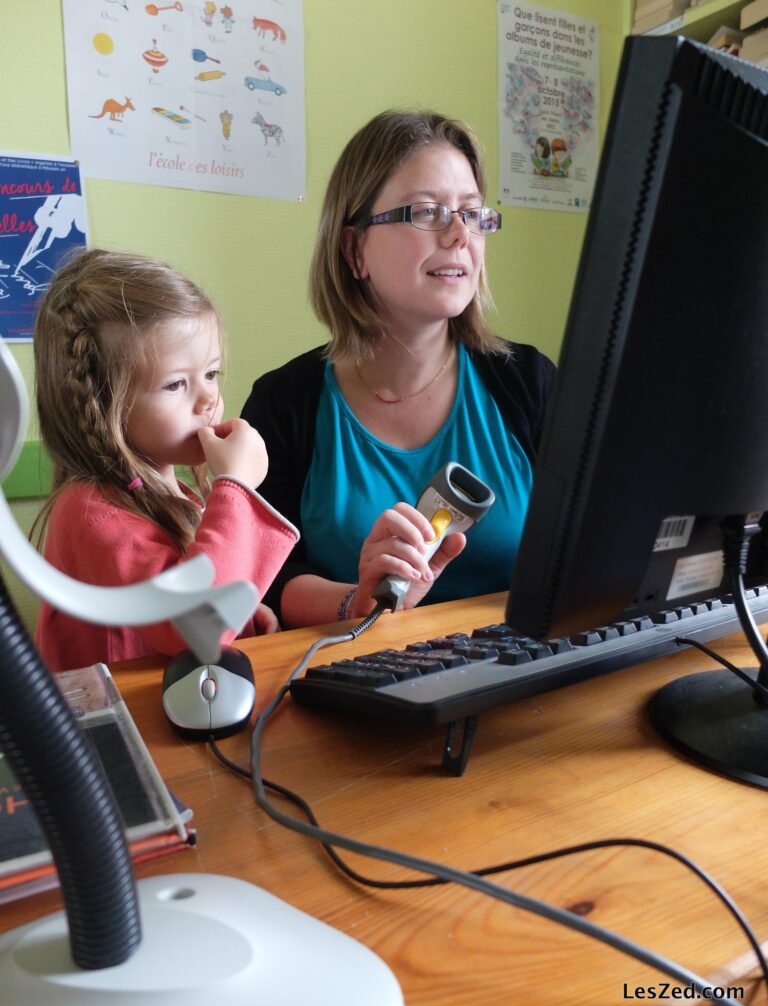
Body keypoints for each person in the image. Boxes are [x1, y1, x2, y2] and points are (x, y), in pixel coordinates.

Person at [241, 109, 555, 628]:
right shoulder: (284, 404)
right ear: (354, 248)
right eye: (428, 213)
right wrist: (357, 601)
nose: (460, 236)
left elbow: (588, 547)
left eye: (473, 214)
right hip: (350, 678)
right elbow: (263, 578)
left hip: (517, 681)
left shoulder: (528, 382)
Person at [33, 248, 299, 671]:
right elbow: (195, 626)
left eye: (211, 374)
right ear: (104, 406)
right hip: (126, 734)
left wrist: (245, 616)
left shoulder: (179, 493)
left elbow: (202, 587)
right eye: (176, 384)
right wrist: (238, 488)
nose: (209, 398)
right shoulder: (92, 514)